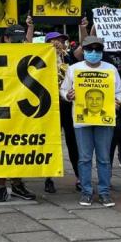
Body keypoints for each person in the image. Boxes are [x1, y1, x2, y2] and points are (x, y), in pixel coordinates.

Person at [61, 36, 121, 207]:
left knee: (104, 158)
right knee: (84, 158)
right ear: (84, 51)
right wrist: (68, 95)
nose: (93, 53)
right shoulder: (74, 69)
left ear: (102, 52)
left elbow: (119, 90)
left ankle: (104, 193)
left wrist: (118, 101)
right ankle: (86, 192)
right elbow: (64, 89)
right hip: (82, 120)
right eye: (89, 50)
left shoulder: (110, 69)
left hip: (104, 120)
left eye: (97, 50)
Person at [0, 24, 37, 202]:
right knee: (1, 149)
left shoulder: (26, 54)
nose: (19, 43)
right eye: (15, 39)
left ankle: (17, 184)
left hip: (21, 109)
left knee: (18, 148)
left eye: (21, 40)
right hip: (0, 109)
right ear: (6, 39)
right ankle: (1, 186)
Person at [44, 28, 82, 194]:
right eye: (55, 40)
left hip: (67, 105)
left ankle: (80, 177)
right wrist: (30, 27)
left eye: (62, 40)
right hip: (49, 106)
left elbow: (82, 48)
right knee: (51, 142)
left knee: (73, 141)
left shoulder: (69, 58)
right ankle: (48, 178)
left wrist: (82, 27)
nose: (59, 43)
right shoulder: (41, 59)